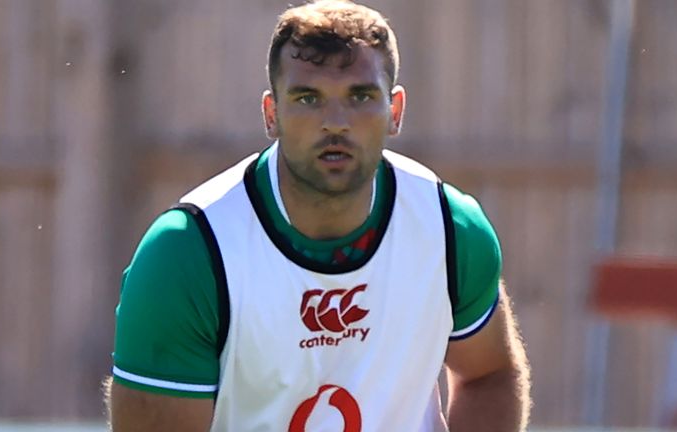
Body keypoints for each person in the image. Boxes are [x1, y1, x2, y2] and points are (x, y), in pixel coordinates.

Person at [106, 0, 531, 430]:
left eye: (360, 96)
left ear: (395, 111)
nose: (335, 122)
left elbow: (488, 375)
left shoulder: (449, 229)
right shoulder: (187, 253)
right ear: (272, 115)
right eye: (308, 98)